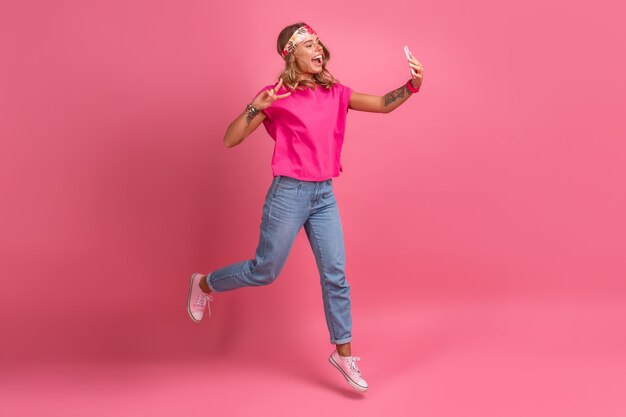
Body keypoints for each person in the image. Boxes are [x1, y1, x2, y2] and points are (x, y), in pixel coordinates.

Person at [187, 22, 423, 393]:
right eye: (308, 44)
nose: (318, 48)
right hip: (289, 194)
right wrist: (254, 107)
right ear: (290, 55)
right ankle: (204, 283)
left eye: (318, 42)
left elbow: (380, 104)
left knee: (335, 276)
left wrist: (412, 86)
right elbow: (230, 139)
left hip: (323, 195)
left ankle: (343, 355)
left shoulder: (335, 92)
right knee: (265, 271)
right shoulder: (275, 96)